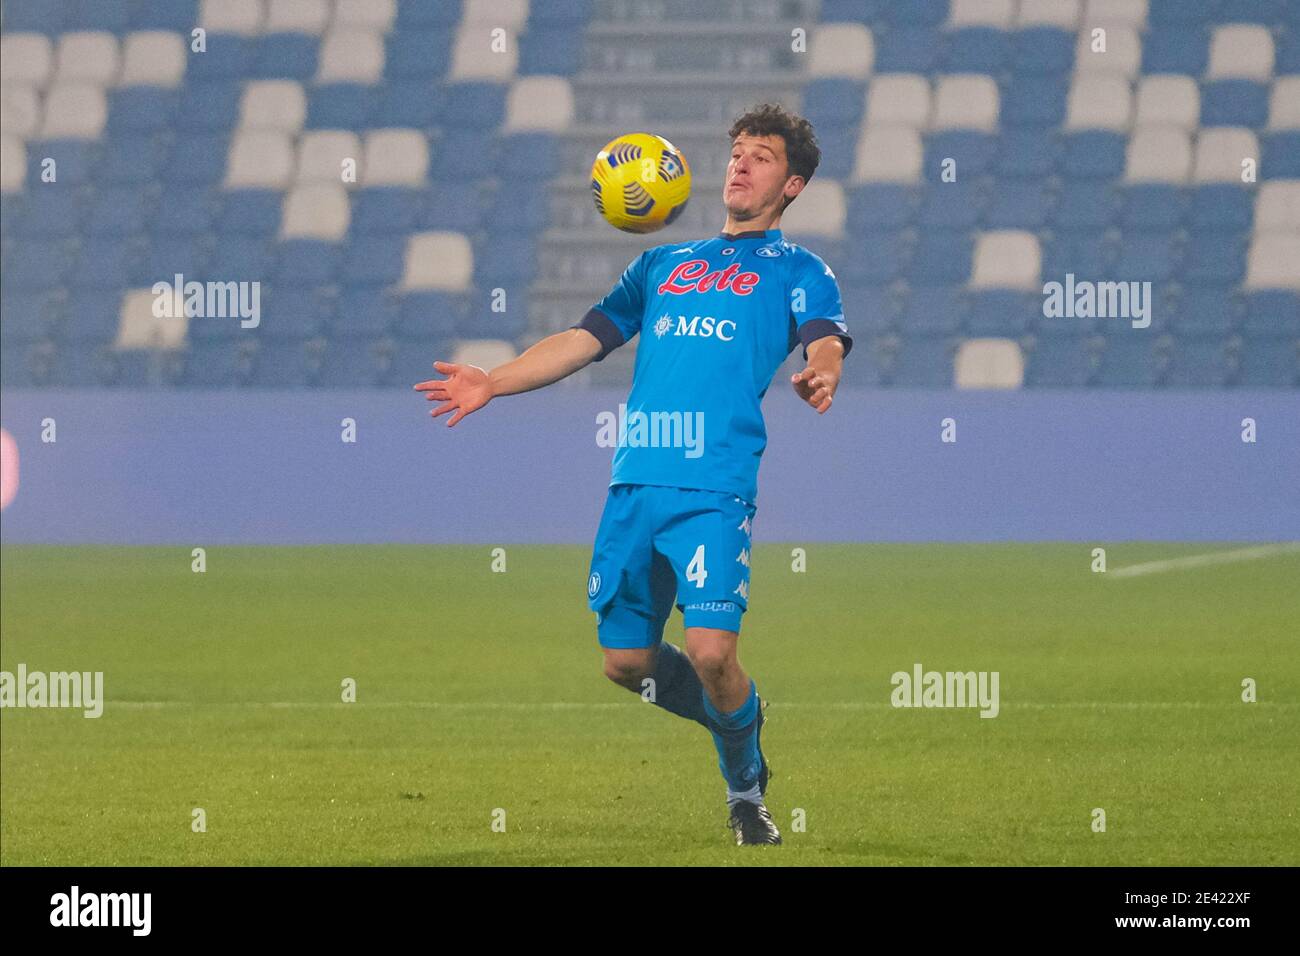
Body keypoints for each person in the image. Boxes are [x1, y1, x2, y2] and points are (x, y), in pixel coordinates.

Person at [414, 103, 851, 845]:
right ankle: (738, 712)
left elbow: (825, 339)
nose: (741, 164)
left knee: (714, 652)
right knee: (625, 664)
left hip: (713, 489)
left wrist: (819, 371)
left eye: (763, 156)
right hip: (634, 484)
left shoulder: (799, 270)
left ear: (795, 184)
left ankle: (746, 792)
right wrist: (495, 381)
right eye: (737, 151)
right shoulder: (663, 265)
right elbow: (583, 340)